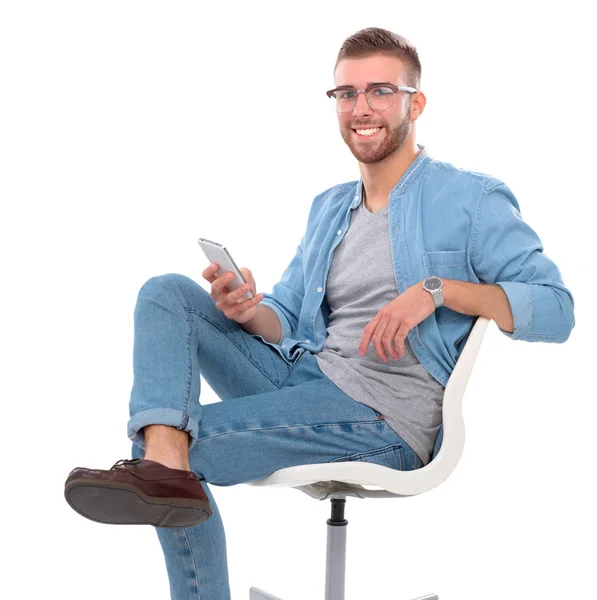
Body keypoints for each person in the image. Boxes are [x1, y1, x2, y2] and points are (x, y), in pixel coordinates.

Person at [64, 27, 575, 600]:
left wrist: (436, 290)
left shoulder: (471, 199)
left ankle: (165, 469)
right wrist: (246, 310)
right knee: (165, 294)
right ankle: (164, 465)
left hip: (384, 416)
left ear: (416, 103)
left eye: (381, 90)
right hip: (308, 377)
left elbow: (558, 310)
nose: (362, 108)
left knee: (173, 448)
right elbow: (285, 320)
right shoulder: (330, 207)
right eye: (346, 94)